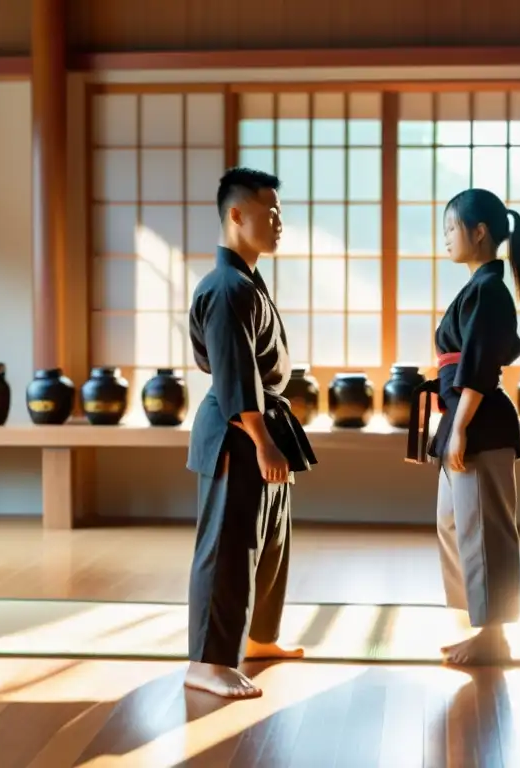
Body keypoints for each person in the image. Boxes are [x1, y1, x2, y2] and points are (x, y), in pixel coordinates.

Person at [184, 166, 317, 700]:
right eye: (270, 212)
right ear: (236, 216)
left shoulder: (247, 282)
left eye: (281, 212)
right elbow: (235, 372)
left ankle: (259, 638)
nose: (279, 222)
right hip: (239, 429)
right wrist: (261, 440)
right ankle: (208, 662)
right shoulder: (224, 287)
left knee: (269, 542)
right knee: (229, 545)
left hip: (262, 424)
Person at [406, 188, 520, 666]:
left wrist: (459, 427)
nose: (446, 240)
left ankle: (495, 637)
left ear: (479, 233)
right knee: (454, 523)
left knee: (484, 531)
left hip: (478, 423)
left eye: (451, 229)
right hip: (461, 418)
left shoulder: (489, 290)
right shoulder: (478, 286)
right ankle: (480, 625)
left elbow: (480, 363)